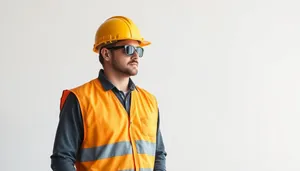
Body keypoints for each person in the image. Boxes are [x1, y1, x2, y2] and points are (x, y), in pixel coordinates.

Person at [50, 16, 167, 171]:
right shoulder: (80, 99)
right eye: (128, 49)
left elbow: (158, 155)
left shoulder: (149, 101)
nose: (136, 56)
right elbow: (62, 159)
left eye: (139, 50)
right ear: (106, 54)